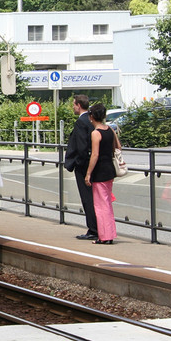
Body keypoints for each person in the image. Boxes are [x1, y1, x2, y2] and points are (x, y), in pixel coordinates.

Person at [64, 94, 97, 240]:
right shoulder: (92, 120)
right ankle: (98, 228)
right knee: (96, 198)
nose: (73, 107)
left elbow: (81, 146)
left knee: (87, 198)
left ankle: (93, 229)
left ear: (78, 105)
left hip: (84, 166)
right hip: (94, 165)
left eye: (73, 104)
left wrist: (79, 164)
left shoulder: (81, 122)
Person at [84, 103, 117, 244]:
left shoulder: (95, 133)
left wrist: (88, 173)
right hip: (110, 169)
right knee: (107, 203)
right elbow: (117, 146)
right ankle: (109, 234)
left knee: (100, 205)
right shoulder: (110, 130)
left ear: (92, 117)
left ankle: (104, 236)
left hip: (100, 171)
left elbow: (95, 155)